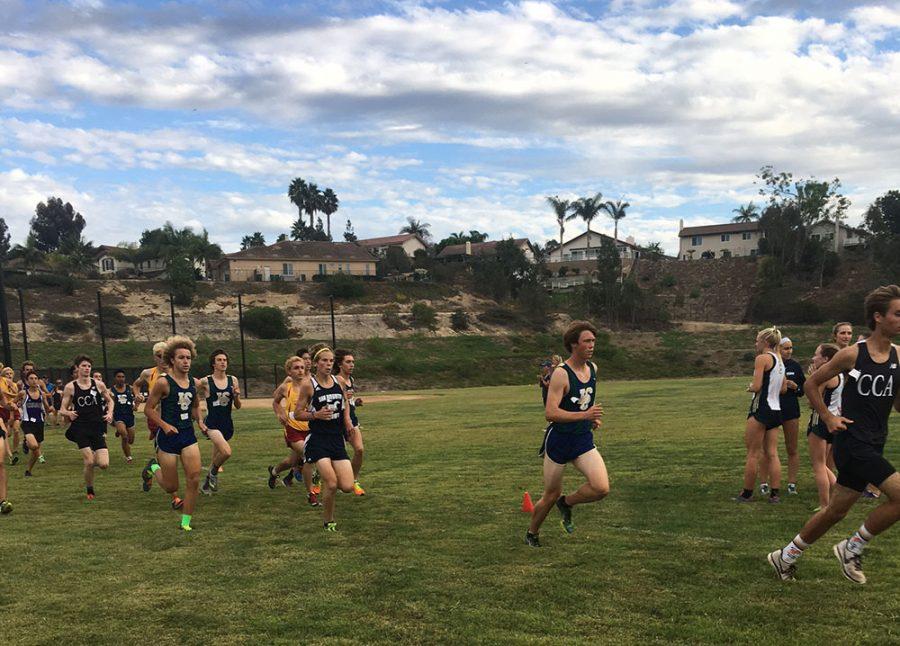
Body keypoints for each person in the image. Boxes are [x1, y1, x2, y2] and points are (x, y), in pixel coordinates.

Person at [767, 285, 900, 584]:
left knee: (835, 512)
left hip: (875, 442)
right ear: (878, 317)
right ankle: (852, 547)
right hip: (852, 443)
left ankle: (785, 556)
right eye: (898, 314)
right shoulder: (853, 354)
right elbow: (812, 384)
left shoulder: (899, 357)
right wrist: (827, 417)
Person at [526, 321, 607, 547]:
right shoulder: (561, 374)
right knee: (550, 494)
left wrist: (591, 418)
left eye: (593, 341)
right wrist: (585, 416)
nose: (592, 345)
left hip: (582, 440)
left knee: (601, 488)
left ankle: (567, 503)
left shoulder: (593, 369)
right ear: (573, 344)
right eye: (587, 341)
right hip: (559, 442)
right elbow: (550, 413)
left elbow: (581, 405)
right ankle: (532, 532)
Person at [140, 336, 205, 532]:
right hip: (167, 438)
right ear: (172, 360)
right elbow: (149, 409)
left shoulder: (194, 383)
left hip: (187, 435)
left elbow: (195, 405)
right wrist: (164, 425)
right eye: (181, 358)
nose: (186, 361)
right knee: (170, 487)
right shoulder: (163, 383)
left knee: (193, 478)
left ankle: (186, 522)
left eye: (188, 358)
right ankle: (153, 467)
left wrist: (200, 421)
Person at [293, 345, 355, 531]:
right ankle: (329, 520)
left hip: (336, 439)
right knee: (332, 483)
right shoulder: (308, 385)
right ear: (316, 364)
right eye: (324, 361)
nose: (328, 364)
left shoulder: (340, 382)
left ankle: (321, 473)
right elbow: (297, 413)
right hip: (318, 439)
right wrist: (315, 415)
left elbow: (345, 403)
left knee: (347, 486)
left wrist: (347, 421)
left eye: (330, 361)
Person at [735, 326, 787, 503]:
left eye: (757, 340)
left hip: (761, 408)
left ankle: (747, 493)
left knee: (753, 453)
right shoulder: (780, 360)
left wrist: (749, 387)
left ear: (765, 341)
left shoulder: (762, 358)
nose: (755, 343)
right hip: (776, 409)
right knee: (772, 453)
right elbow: (784, 388)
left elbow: (757, 387)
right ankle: (775, 494)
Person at [60, 356, 114, 499]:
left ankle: (91, 462)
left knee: (103, 464)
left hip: (97, 427)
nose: (86, 368)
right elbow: (62, 409)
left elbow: (110, 401)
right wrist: (69, 412)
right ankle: (90, 489)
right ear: (78, 368)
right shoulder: (70, 387)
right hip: (80, 428)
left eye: (89, 366)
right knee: (89, 461)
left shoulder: (99, 385)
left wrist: (109, 413)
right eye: (84, 366)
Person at [269, 355, 317, 506]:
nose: (300, 370)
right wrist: (280, 413)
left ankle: (274, 472)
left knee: (291, 461)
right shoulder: (286, 387)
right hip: (292, 428)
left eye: (302, 367)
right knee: (309, 454)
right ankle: (311, 493)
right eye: (296, 368)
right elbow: (275, 401)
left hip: (309, 427)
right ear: (289, 371)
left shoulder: (311, 385)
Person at [759, 337, 804, 495]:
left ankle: (792, 483)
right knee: (768, 450)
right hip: (771, 409)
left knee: (792, 448)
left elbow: (803, 391)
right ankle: (764, 482)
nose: (789, 351)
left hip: (790, 411)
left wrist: (795, 387)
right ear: (778, 348)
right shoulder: (771, 362)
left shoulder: (795, 366)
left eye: (791, 348)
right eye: (785, 348)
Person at [199, 349, 241, 495]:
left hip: (227, 424)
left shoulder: (233, 380)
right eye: (219, 360)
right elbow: (193, 398)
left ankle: (205, 485)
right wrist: (199, 419)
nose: (223, 362)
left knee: (216, 457)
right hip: (212, 423)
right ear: (213, 363)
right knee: (226, 452)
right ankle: (214, 473)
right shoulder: (206, 381)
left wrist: (235, 396)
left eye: (225, 360)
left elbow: (238, 406)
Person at [806, 343, 842, 510]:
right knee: (825, 465)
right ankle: (837, 497)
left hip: (820, 420)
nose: (813, 358)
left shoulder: (825, 375)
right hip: (834, 420)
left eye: (816, 355)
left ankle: (824, 505)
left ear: (826, 359)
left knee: (819, 465)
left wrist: (813, 378)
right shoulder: (841, 375)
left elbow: (812, 401)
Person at [334, 348, 366, 496]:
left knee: (359, 450)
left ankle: (353, 479)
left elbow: (348, 401)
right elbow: (335, 400)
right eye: (348, 362)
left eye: (353, 362)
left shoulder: (351, 379)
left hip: (351, 418)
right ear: (340, 364)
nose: (352, 364)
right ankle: (321, 476)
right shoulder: (337, 380)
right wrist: (344, 397)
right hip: (338, 421)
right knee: (339, 456)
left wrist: (355, 402)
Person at [133, 342, 168, 441]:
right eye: (159, 356)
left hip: (172, 413)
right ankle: (155, 434)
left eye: (165, 356)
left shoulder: (176, 372)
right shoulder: (148, 373)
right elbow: (136, 384)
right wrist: (137, 394)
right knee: (162, 443)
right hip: (155, 415)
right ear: (155, 358)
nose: (163, 359)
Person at [21, 370, 50, 477]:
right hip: (27, 422)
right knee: (34, 446)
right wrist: (14, 406)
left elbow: (47, 408)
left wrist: (48, 406)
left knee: (35, 448)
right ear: (27, 381)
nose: (33, 381)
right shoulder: (23, 393)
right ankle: (41, 457)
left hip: (39, 423)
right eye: (31, 379)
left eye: (35, 378)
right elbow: (13, 403)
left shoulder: (42, 394)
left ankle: (28, 470)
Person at [110, 369, 138, 463]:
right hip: (118, 416)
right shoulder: (111, 391)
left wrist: (138, 402)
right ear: (115, 378)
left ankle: (119, 430)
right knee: (124, 436)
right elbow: (110, 404)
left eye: (123, 377)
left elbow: (135, 407)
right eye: (118, 377)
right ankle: (128, 456)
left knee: (131, 440)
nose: (121, 379)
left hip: (129, 416)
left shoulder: (130, 388)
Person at [0, 366, 21, 465]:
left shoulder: (6, 381)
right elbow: (4, 393)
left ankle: (12, 454)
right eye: (6, 373)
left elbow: (4, 400)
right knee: (5, 432)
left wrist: (11, 409)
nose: (9, 375)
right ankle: (10, 456)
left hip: (6, 408)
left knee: (7, 433)